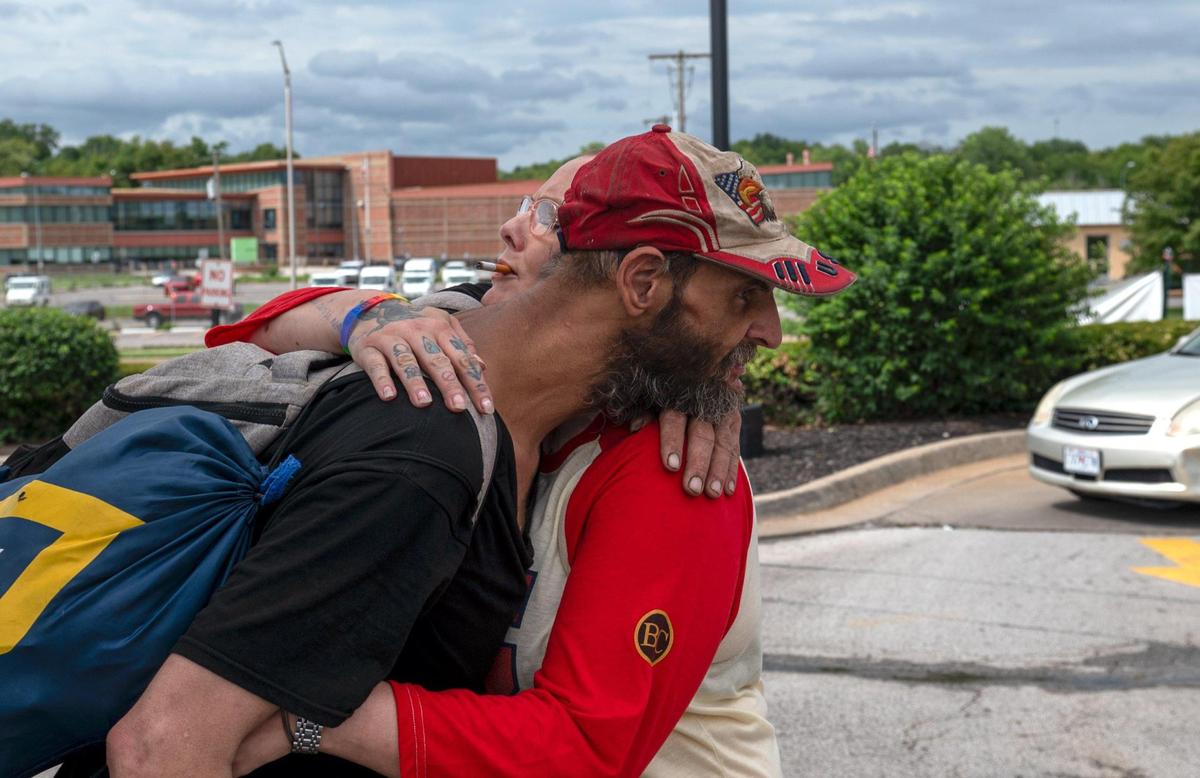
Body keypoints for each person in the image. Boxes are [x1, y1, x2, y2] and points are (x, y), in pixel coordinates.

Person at [216, 126, 855, 777]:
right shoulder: (475, 362)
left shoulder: (674, 460)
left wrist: (307, 712)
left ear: (630, 278)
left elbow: (584, 745)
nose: (513, 229)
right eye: (534, 209)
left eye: (551, 217)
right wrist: (367, 315)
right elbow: (241, 345)